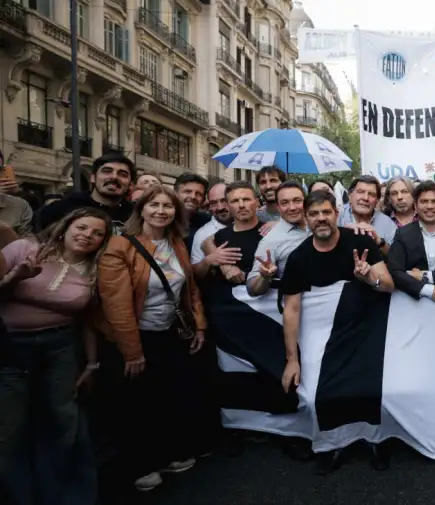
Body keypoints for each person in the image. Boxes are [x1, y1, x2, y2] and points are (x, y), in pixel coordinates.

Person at [95, 185, 206, 492]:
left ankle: (164, 455)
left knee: (165, 398)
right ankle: (139, 466)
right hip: (135, 337)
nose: (161, 211)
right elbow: (116, 305)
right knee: (136, 405)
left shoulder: (177, 243)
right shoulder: (121, 246)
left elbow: (190, 290)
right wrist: (132, 352)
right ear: (141, 209)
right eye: (154, 205)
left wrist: (199, 326)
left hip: (169, 333)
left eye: (167, 206)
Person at [0, 208, 111, 505]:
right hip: (10, 347)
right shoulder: (24, 248)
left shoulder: (95, 270)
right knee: (10, 429)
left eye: (97, 233)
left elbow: (88, 321)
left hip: (60, 347)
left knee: (63, 421)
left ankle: (65, 495)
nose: (87, 235)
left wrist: (91, 363)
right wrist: (15, 277)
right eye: (82, 227)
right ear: (65, 227)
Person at [279, 190, 394, 475]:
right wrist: (292, 359)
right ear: (306, 218)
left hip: (364, 326)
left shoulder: (361, 243)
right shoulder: (298, 258)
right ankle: (331, 445)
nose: (321, 218)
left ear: (336, 213)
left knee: (369, 387)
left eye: (326, 212)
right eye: (314, 214)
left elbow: (388, 284)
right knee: (319, 392)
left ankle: (375, 441)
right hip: (322, 333)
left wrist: (368, 277)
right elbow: (291, 309)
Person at [38, 152, 135, 233]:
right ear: (93, 178)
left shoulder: (136, 214)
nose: (114, 177)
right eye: (106, 171)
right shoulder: (66, 206)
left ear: (131, 184)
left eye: (122, 174)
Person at [247, 181, 309, 296]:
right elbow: (252, 289)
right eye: (285, 202)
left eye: (297, 201)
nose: (292, 207)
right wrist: (264, 276)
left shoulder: (318, 226)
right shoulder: (271, 240)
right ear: (278, 207)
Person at [201, 182, 263, 285]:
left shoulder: (270, 232)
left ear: (257, 202)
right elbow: (198, 275)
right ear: (228, 206)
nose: (241, 205)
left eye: (246, 199)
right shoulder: (219, 236)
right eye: (234, 201)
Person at [338, 175, 397, 254]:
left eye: (372, 194)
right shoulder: (337, 216)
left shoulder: (387, 224)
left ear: (377, 201)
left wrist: (379, 241)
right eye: (360, 192)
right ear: (349, 195)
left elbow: (396, 257)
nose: (365, 198)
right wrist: (342, 233)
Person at [174, 173, 211, 251]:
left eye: (199, 194)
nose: (193, 196)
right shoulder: (163, 219)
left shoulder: (209, 222)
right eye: (187, 191)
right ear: (175, 193)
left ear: (203, 200)